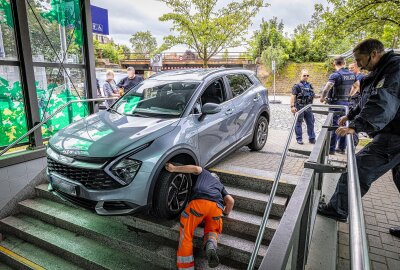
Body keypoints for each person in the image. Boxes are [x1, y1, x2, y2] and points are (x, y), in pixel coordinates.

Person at [317, 39, 400, 239]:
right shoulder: (381, 69)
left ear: (373, 54)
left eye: (360, 59)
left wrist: (356, 126)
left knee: (359, 168)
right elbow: (369, 97)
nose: (358, 64)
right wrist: (352, 114)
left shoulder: (395, 69)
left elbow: (383, 101)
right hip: (394, 132)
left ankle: (338, 208)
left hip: (395, 136)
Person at [164, 163, 234, 269]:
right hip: (216, 208)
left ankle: (186, 267)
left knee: (186, 234)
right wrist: (225, 213)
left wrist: (174, 168)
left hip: (199, 204)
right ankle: (210, 243)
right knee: (212, 230)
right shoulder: (220, 186)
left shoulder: (205, 172)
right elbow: (230, 201)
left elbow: (195, 168)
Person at [320, 56, 356, 154]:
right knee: (344, 124)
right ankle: (341, 148)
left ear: (334, 64)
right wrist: (349, 95)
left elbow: (327, 87)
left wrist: (322, 97)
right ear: (344, 63)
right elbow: (356, 86)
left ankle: (331, 149)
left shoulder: (335, 75)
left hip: (336, 104)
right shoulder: (352, 75)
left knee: (334, 125)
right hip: (346, 104)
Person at [290, 69, 318, 144]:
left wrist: (320, 96)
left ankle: (312, 138)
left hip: (308, 107)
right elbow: (293, 96)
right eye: (304, 75)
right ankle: (299, 139)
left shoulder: (309, 85)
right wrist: (292, 106)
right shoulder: (297, 86)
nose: (306, 77)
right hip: (299, 107)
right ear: (300, 76)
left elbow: (313, 94)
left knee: (311, 122)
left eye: (307, 75)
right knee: (298, 122)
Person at [348, 62, 365, 147]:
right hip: (352, 100)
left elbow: (358, 88)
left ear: (357, 68)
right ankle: (350, 143)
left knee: (353, 121)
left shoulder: (361, 77)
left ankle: (354, 143)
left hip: (356, 101)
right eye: (349, 68)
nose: (350, 70)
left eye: (352, 68)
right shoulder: (353, 77)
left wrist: (350, 96)